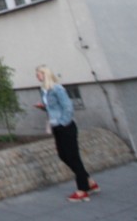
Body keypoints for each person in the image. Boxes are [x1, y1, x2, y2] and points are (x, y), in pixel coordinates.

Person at [35, 65, 99, 202]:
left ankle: (82, 190)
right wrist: (43, 107)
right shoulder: (44, 90)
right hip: (56, 126)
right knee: (63, 155)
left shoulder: (57, 89)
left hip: (66, 126)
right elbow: (53, 108)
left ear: (45, 74)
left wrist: (64, 123)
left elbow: (68, 107)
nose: (37, 76)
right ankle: (89, 182)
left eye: (39, 73)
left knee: (73, 156)